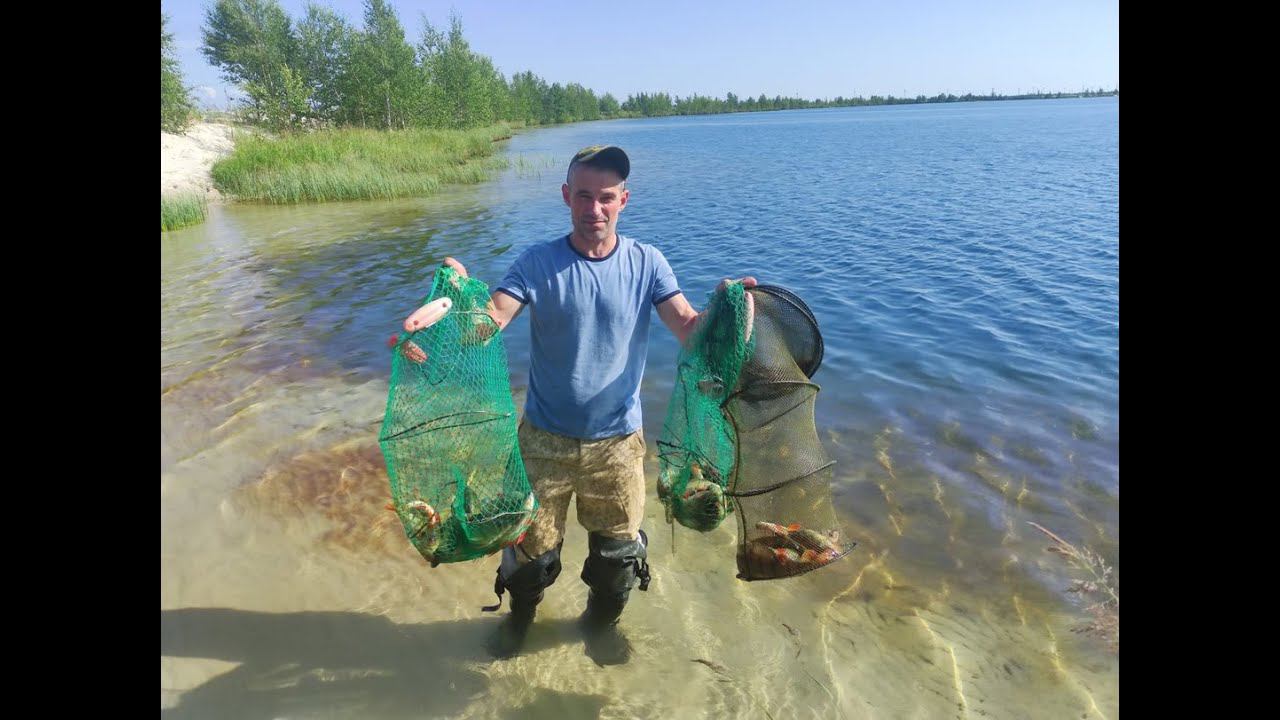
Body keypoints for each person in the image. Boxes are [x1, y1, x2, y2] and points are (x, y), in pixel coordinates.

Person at [392, 145, 755, 665]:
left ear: (623, 200)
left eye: (606, 198)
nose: (594, 209)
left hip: (619, 445)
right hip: (543, 441)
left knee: (616, 561)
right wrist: (444, 317)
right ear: (567, 196)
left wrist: (728, 308)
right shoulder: (536, 262)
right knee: (529, 559)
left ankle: (597, 627)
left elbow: (689, 331)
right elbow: (488, 322)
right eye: (584, 196)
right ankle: (518, 623)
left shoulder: (647, 262)